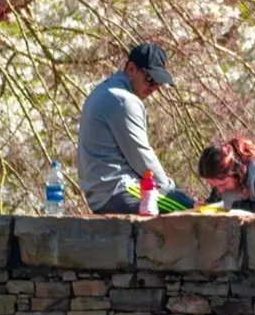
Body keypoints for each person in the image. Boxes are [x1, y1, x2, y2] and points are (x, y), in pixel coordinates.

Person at [77, 42, 182, 215]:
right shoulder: (124, 100)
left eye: (158, 83)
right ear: (132, 68)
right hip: (119, 190)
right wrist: (170, 189)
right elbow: (141, 155)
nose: (153, 87)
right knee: (187, 208)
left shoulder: (106, 90)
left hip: (102, 193)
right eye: (150, 79)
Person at [198, 136, 255, 214]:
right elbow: (216, 201)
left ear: (236, 172)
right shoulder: (223, 180)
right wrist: (204, 205)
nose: (220, 191)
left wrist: (238, 206)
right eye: (215, 186)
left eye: (222, 184)